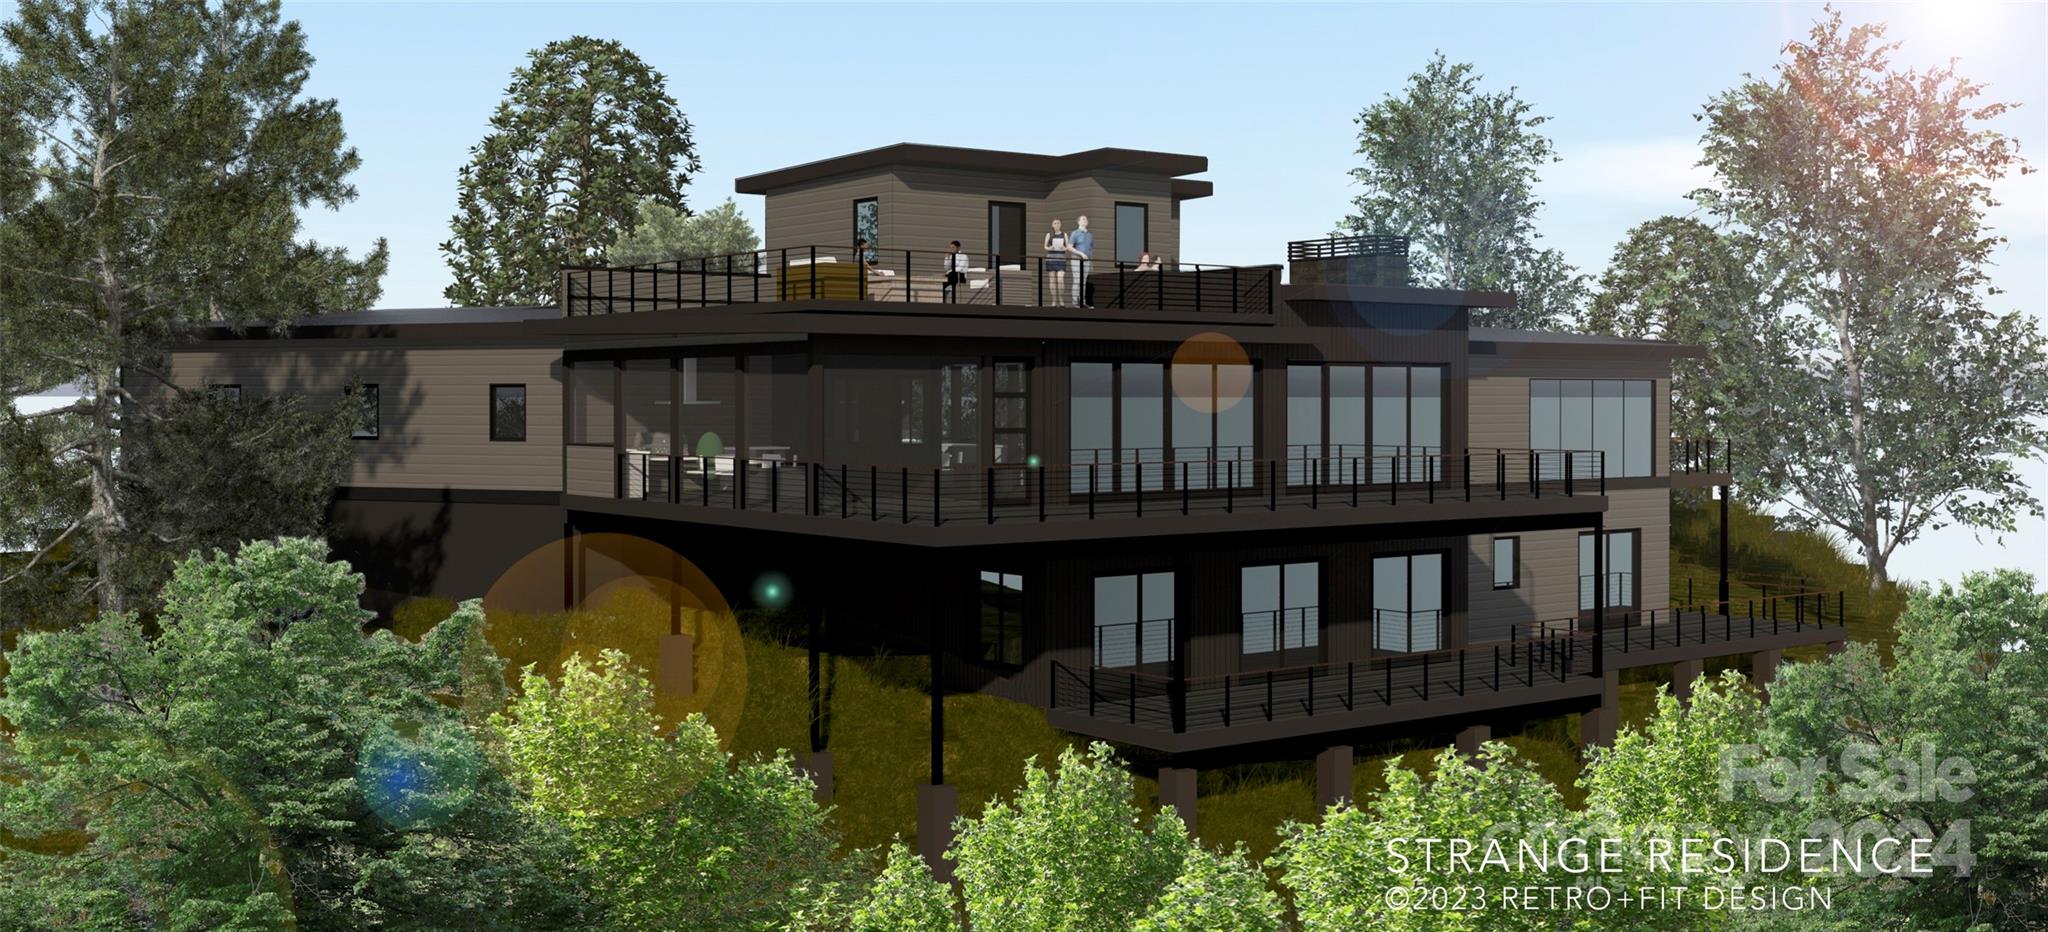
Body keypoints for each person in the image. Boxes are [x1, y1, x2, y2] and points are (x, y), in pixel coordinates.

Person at [1042, 218, 1069, 306]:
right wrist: (1050, 248)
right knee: (1052, 280)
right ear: (1052, 225)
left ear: (1060, 225)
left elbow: (1067, 247)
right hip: (1051, 258)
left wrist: (1063, 248)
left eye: (1058, 223)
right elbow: (1045, 246)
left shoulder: (1064, 234)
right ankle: (1054, 300)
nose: (1057, 224)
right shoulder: (1049, 234)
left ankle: (1061, 299)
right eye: (1055, 223)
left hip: (1061, 258)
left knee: (1060, 279)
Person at [1069, 215, 1094, 307]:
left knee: (1083, 282)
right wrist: (1081, 254)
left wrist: (1091, 262)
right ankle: (1075, 302)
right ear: (1078, 222)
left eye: (1086, 219)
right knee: (1077, 281)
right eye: (1083, 219)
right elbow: (1069, 247)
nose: (1085, 220)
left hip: (1087, 261)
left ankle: (1082, 302)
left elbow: (1091, 249)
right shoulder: (1075, 233)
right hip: (1076, 260)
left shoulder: (1090, 235)